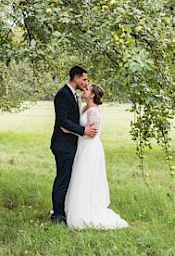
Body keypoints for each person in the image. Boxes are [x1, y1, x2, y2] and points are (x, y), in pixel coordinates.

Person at [63, 83, 129, 230]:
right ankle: (75, 208)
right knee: (79, 177)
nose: (83, 90)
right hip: (82, 147)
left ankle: (85, 212)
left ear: (92, 95)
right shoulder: (84, 108)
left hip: (90, 149)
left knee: (86, 178)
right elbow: (83, 129)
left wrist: (71, 131)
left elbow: (91, 133)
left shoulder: (93, 112)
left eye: (86, 89)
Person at [50, 65, 97, 224]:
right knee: (62, 180)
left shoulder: (72, 94)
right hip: (63, 145)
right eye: (84, 79)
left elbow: (68, 121)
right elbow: (63, 120)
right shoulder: (63, 94)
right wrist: (83, 130)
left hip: (69, 143)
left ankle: (61, 211)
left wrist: (75, 130)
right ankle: (57, 216)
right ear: (76, 78)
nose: (86, 82)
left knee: (66, 179)